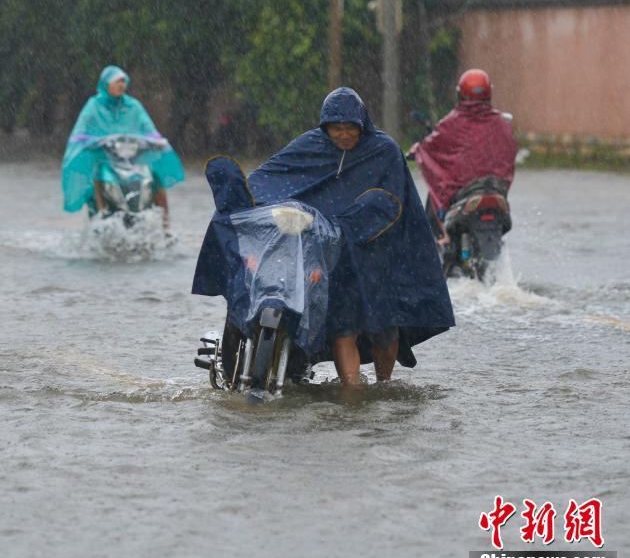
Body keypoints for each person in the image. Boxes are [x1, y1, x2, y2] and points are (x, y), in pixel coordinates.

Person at [195, 87, 454, 387]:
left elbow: (395, 203)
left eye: (350, 128)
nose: (343, 135)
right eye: (336, 128)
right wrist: (245, 208)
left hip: (369, 252)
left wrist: (358, 225)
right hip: (317, 248)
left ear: (362, 125)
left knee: (384, 328)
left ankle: (383, 388)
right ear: (325, 126)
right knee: (340, 327)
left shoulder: (384, 152)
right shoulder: (310, 146)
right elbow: (269, 180)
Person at [61, 65, 185, 227]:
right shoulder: (94, 106)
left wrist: (158, 141)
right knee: (97, 176)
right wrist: (95, 142)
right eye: (117, 81)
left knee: (155, 177)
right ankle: (102, 218)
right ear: (106, 84)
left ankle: (166, 226)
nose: (121, 85)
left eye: (124, 81)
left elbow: (149, 129)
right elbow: (80, 133)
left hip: (133, 160)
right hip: (105, 159)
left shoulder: (133, 106)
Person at [410, 69, 517, 242]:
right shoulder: (502, 124)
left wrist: (418, 150)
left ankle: (438, 241)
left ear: (460, 94)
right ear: (489, 93)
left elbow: (431, 147)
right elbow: (509, 154)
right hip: (496, 193)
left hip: (463, 195)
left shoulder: (452, 123)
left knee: (437, 194)